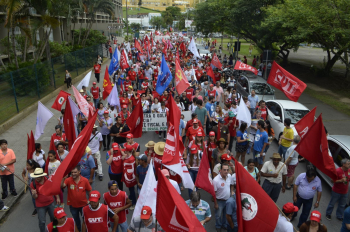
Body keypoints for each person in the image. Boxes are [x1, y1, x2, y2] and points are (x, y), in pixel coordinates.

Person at [61, 165, 92, 232]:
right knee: (76, 221)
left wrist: (90, 200)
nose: (73, 174)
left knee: (85, 221)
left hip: (84, 205)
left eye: (75, 172)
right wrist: (63, 178)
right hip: (73, 206)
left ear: (79, 171)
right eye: (72, 172)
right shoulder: (68, 180)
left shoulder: (85, 180)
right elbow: (62, 186)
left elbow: (89, 190)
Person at [30, 168, 59, 232]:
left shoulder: (48, 179)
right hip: (40, 206)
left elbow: (53, 189)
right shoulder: (33, 184)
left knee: (53, 219)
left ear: (42, 175)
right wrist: (34, 194)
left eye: (38, 176)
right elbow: (35, 197)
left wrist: (57, 197)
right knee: (42, 222)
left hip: (50, 203)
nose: (37, 178)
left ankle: (54, 229)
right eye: (36, 176)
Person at [213, 164, 234, 232]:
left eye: (227, 170)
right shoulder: (216, 180)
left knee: (226, 214)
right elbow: (214, 193)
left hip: (228, 200)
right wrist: (215, 203)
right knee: (218, 215)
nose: (226, 171)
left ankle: (224, 225)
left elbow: (232, 184)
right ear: (220, 170)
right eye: (224, 170)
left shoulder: (229, 176)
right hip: (219, 201)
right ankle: (218, 226)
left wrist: (231, 191)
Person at [121, 144, 137, 210]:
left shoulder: (130, 159)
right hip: (128, 176)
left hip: (130, 177)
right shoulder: (129, 156)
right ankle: (131, 198)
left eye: (125, 151)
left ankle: (134, 203)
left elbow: (130, 169)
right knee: (131, 189)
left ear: (128, 151)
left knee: (132, 190)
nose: (124, 152)